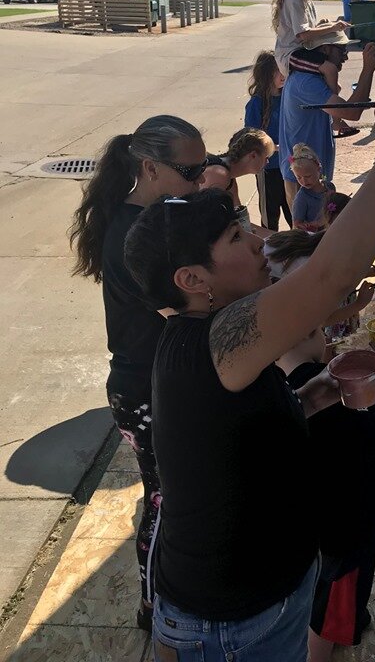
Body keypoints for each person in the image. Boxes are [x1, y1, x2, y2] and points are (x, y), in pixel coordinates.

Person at [123, 89, 375, 662]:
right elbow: (332, 275)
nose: (259, 242)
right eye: (238, 238)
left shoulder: (202, 338)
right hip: (231, 627)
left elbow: (230, 437)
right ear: (192, 279)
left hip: (237, 612)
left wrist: (306, 397)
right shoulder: (217, 338)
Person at [68, 115, 207, 631]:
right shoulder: (133, 236)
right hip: (143, 389)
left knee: (170, 493)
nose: (199, 180)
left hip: (157, 380)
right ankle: (153, 605)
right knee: (164, 501)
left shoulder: (161, 215)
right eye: (189, 171)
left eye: (204, 166)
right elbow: (187, 313)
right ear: (150, 167)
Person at [273, 292, 375, 660]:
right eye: (319, 330)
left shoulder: (278, 389)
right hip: (346, 528)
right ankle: (318, 649)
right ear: (307, 338)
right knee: (332, 604)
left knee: (326, 589)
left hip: (315, 523)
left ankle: (345, 618)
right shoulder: (324, 395)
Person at [279, 31, 375, 205]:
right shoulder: (307, 83)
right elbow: (351, 112)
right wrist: (368, 69)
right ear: (326, 49)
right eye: (341, 50)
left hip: (311, 174)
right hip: (304, 178)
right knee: (310, 229)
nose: (345, 57)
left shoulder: (311, 78)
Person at [271, 0, 359, 142]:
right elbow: (302, 34)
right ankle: (337, 120)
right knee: (330, 69)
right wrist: (334, 27)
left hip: (303, 50)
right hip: (291, 55)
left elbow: (308, 29)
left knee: (330, 72)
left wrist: (326, 25)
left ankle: (333, 109)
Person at [244, 50, 292, 230]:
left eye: (285, 69)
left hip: (290, 166)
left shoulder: (290, 97)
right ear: (266, 74)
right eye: (278, 70)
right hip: (268, 168)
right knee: (269, 217)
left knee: (293, 212)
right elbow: (251, 137)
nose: (283, 74)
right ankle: (268, 252)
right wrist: (273, 147)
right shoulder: (256, 104)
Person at [201, 127, 274, 232]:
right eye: (266, 157)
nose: (267, 162)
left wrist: (279, 237)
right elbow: (208, 223)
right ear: (253, 155)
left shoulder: (228, 177)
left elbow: (242, 222)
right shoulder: (219, 175)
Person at [290, 143, 335, 232]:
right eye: (299, 177)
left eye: (308, 176)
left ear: (318, 169)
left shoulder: (330, 186)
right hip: (314, 238)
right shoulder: (302, 197)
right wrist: (308, 226)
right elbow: (297, 223)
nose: (304, 181)